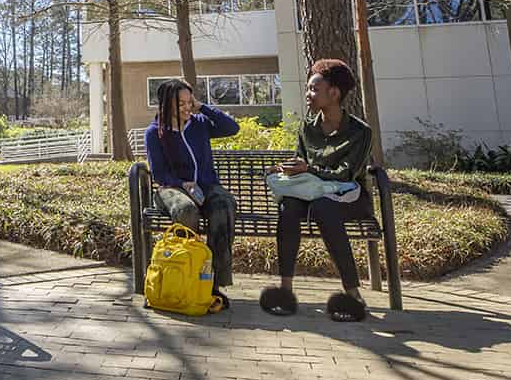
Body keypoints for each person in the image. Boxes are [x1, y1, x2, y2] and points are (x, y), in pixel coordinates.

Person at [259, 58, 376, 322]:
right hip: (311, 193)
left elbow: (346, 174)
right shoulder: (307, 127)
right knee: (288, 206)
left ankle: (353, 295)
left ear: (334, 93)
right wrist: (282, 169)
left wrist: (309, 169)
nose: (308, 95)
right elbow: (300, 164)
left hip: (348, 197)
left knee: (325, 208)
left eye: (314, 89)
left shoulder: (361, 132)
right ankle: (285, 292)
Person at [144, 78, 240, 312]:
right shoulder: (154, 133)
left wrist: (202, 107)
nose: (187, 107)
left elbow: (232, 128)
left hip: (206, 186)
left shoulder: (199, 124)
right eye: (181, 104)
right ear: (166, 105)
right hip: (171, 189)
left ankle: (212, 283)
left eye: (190, 102)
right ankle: (185, 275)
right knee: (186, 211)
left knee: (224, 205)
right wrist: (182, 185)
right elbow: (159, 173)